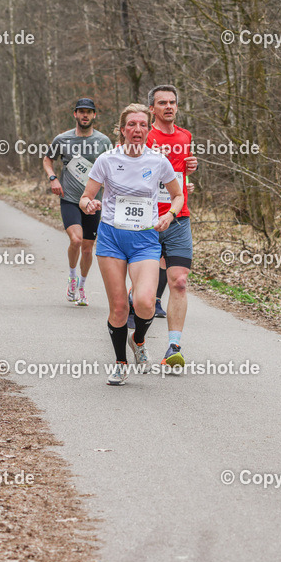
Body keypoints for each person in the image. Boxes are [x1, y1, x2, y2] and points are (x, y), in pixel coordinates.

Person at [80, 103, 183, 385]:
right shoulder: (107, 159)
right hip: (112, 238)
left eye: (142, 125)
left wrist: (169, 215)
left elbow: (178, 196)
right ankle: (120, 363)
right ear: (123, 129)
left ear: (149, 129)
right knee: (118, 309)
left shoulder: (158, 161)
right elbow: (85, 197)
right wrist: (90, 204)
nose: (137, 130)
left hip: (145, 240)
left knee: (145, 303)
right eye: (131, 125)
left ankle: (138, 340)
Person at [144, 84, 197, 367]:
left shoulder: (185, 136)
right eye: (162, 102)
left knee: (179, 281)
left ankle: (173, 346)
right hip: (147, 219)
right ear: (151, 108)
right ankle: (137, 336)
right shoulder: (143, 135)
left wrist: (191, 168)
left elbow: (180, 173)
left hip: (179, 216)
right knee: (144, 289)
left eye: (172, 102)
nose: (168, 107)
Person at [42, 98, 113, 306]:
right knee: (76, 240)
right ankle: (72, 278)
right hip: (70, 199)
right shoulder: (62, 139)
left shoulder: (103, 142)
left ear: (94, 115)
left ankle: (81, 286)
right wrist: (53, 178)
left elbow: (111, 169)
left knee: (88, 249)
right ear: (75, 114)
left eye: (88, 112)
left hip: (94, 202)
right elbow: (48, 159)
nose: (85, 115)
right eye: (81, 112)